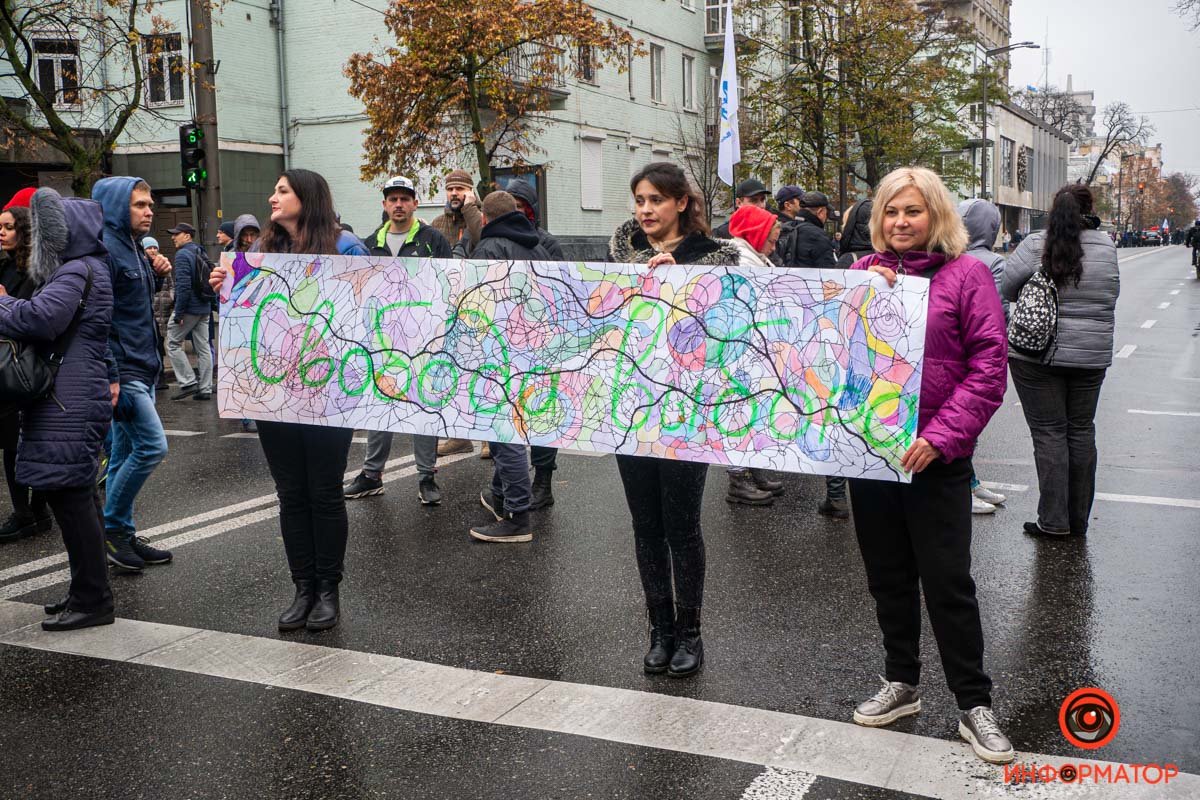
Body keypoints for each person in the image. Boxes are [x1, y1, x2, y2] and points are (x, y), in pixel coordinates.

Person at [845, 167, 1013, 764]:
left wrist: (942, 437)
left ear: (936, 215)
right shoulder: (861, 275)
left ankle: (974, 702)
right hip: (873, 457)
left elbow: (989, 365)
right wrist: (866, 301)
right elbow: (823, 349)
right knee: (887, 575)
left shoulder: (968, 276)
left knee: (948, 582)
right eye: (891, 212)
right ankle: (902, 683)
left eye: (912, 211)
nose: (900, 223)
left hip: (937, 459)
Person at [211, 169, 368, 632]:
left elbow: (368, 310)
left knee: (323, 492)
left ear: (307, 197)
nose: (272, 197)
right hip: (274, 393)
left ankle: (328, 591)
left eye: (282, 190)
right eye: (274, 190)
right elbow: (244, 309)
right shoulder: (262, 252)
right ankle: (302, 587)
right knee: (290, 493)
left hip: (328, 394)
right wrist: (223, 282)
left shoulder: (346, 248)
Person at [609, 162, 740, 679]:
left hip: (688, 410)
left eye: (656, 200)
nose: (645, 210)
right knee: (646, 526)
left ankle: (690, 633)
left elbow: (736, 328)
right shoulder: (619, 256)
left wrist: (685, 285)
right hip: (631, 407)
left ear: (682, 203)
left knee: (681, 527)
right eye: (639, 200)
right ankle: (658, 631)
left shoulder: (719, 258)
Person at [0, 188, 114, 630]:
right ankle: (86, 590)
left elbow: (39, 319)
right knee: (74, 496)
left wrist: (3, 301)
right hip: (71, 393)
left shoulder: (77, 271)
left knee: (72, 498)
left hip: (69, 398)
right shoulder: (84, 269)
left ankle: (92, 599)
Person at [1002, 184, 1120, 538]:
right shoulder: (1108, 247)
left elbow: (1007, 288)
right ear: (1090, 208)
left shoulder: (1036, 244)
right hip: (1090, 356)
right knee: (1081, 431)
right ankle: (1079, 520)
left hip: (1036, 357)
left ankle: (1053, 521)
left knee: (1049, 433)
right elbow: (1111, 294)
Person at [343, 176, 452, 506]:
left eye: (405, 198)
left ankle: (426, 476)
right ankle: (371, 475)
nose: (399, 204)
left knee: (422, 404)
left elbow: (450, 284)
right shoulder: (369, 243)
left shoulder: (433, 240)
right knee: (381, 403)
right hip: (381, 338)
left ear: (415, 204)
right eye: (393, 199)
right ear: (385, 204)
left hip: (424, 338)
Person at [92, 176, 173, 572]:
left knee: (124, 451)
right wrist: (111, 373)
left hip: (144, 364)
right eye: (140, 204)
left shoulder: (133, 246)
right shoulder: (105, 247)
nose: (149, 211)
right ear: (116, 206)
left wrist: (156, 271)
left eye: (150, 204)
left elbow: (133, 305)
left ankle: (121, 529)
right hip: (124, 370)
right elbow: (100, 319)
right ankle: (110, 528)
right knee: (152, 447)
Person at [468, 191, 554, 544]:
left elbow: (477, 304)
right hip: (533, 349)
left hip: (499, 352)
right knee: (518, 429)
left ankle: (517, 516)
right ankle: (501, 496)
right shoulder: (539, 247)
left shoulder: (489, 249)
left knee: (506, 435)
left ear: (485, 219)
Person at [505, 177, 563, 509]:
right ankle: (510, 481)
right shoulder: (493, 240)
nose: (513, 212)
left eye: (519, 206)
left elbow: (560, 290)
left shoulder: (547, 244)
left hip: (541, 341)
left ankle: (543, 482)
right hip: (506, 341)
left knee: (542, 414)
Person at [722, 204, 784, 506]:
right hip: (739, 351)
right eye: (771, 240)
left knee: (755, 410)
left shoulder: (756, 257)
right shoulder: (740, 261)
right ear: (756, 234)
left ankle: (754, 467)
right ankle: (738, 480)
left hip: (755, 349)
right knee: (738, 413)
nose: (773, 246)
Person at [0, 197, 52, 542]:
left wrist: (4, 300)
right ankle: (24, 512)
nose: (1, 233)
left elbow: (37, 317)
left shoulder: (40, 271)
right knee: (9, 443)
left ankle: (37, 509)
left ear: (23, 230)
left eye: (7, 227)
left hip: (30, 365)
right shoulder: (2, 267)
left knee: (36, 439)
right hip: (6, 366)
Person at [957, 199, 1011, 515]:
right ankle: (964, 486)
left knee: (957, 422)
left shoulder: (950, 256)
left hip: (951, 352)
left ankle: (971, 481)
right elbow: (999, 312)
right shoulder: (993, 263)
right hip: (978, 355)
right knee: (968, 424)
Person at [432, 170, 483, 457]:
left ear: (470, 192)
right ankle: (458, 435)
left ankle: (488, 437)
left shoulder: (478, 216)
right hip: (448, 306)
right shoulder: (439, 224)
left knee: (482, 370)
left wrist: (471, 208)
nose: (454, 194)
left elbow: (482, 237)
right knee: (452, 370)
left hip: (478, 305)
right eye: (450, 189)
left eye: (460, 189)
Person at [165, 222, 214, 402]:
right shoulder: (200, 251)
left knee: (172, 342)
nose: (173, 237)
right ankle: (206, 388)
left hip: (189, 308)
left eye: (176, 234)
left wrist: (178, 314)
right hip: (204, 307)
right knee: (203, 348)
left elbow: (183, 287)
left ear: (187, 236)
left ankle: (188, 382)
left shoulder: (182, 254)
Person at [776, 191, 838, 269]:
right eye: (827, 213)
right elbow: (828, 270)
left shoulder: (785, 228)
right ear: (820, 212)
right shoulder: (818, 236)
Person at [144, 236, 174, 391]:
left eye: (155, 247)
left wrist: (171, 299)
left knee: (160, 346)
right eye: (149, 248)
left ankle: (160, 378)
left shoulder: (162, 265)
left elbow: (171, 286)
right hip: (150, 313)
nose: (153, 250)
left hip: (163, 312)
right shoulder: (142, 265)